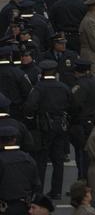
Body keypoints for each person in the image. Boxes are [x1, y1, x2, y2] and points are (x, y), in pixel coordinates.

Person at [25, 59, 71, 200]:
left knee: (42, 159)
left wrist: (31, 117)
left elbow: (30, 106)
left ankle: (38, 192)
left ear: (42, 73)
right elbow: (72, 104)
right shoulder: (63, 87)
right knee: (58, 159)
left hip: (45, 125)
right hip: (61, 124)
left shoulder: (39, 88)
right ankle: (56, 191)